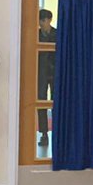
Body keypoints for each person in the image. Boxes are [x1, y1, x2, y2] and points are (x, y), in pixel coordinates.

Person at [37, 8, 57, 148]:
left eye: (44, 20)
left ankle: (58, 131)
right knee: (41, 102)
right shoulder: (36, 34)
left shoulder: (57, 34)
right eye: (40, 21)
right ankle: (44, 133)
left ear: (49, 20)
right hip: (40, 73)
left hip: (56, 73)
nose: (42, 23)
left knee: (56, 102)